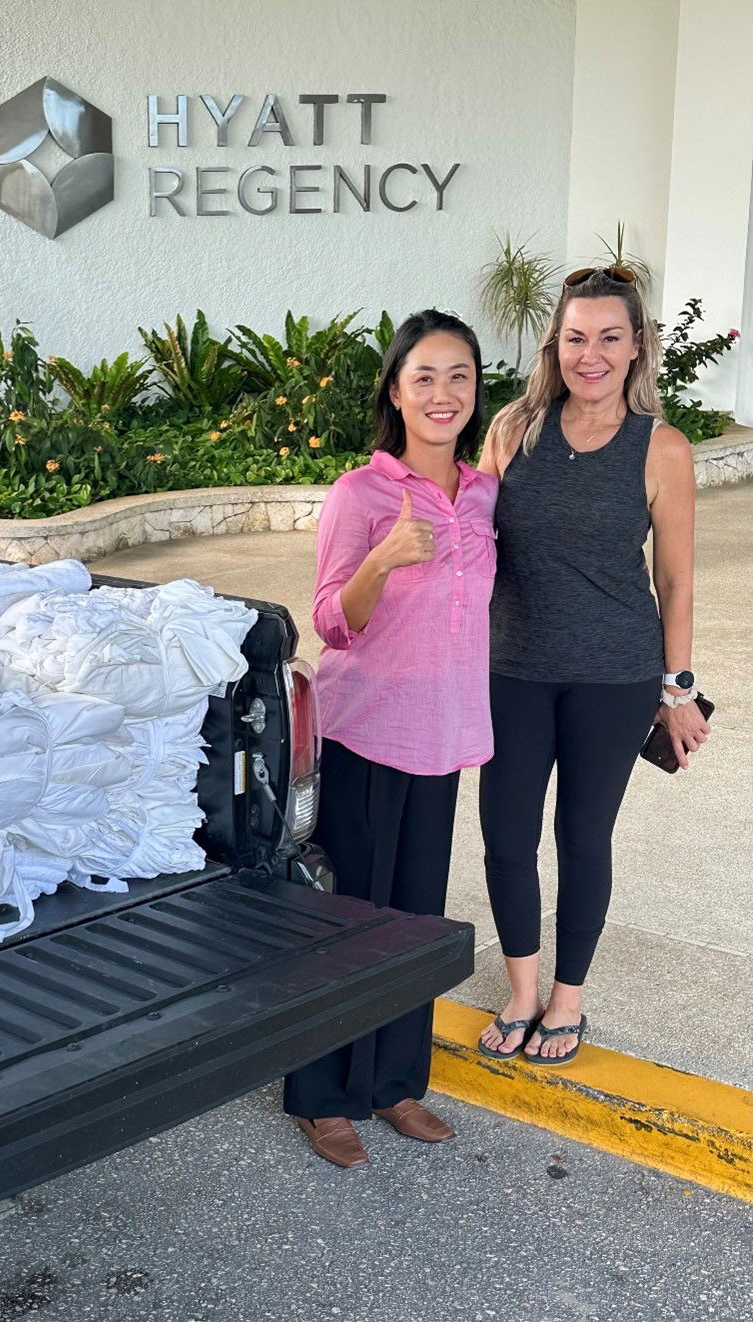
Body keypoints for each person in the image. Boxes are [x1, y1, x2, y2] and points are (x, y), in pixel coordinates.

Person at [476, 267, 710, 1066]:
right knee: (505, 836)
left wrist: (676, 692)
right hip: (511, 666)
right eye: (576, 336)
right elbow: (472, 550)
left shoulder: (661, 448)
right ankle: (520, 991)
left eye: (609, 337)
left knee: (582, 837)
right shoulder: (512, 431)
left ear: (636, 345)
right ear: (555, 344)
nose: (591, 353)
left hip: (612, 676)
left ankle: (567, 999)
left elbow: (674, 580)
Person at [285, 309, 497, 1168]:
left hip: (443, 738)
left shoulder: (484, 494)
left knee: (413, 924)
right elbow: (332, 623)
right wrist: (380, 560)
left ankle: (397, 1084)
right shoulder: (360, 494)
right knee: (347, 924)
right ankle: (322, 1095)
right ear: (395, 393)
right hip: (367, 732)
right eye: (424, 378)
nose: (442, 394)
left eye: (459, 377)